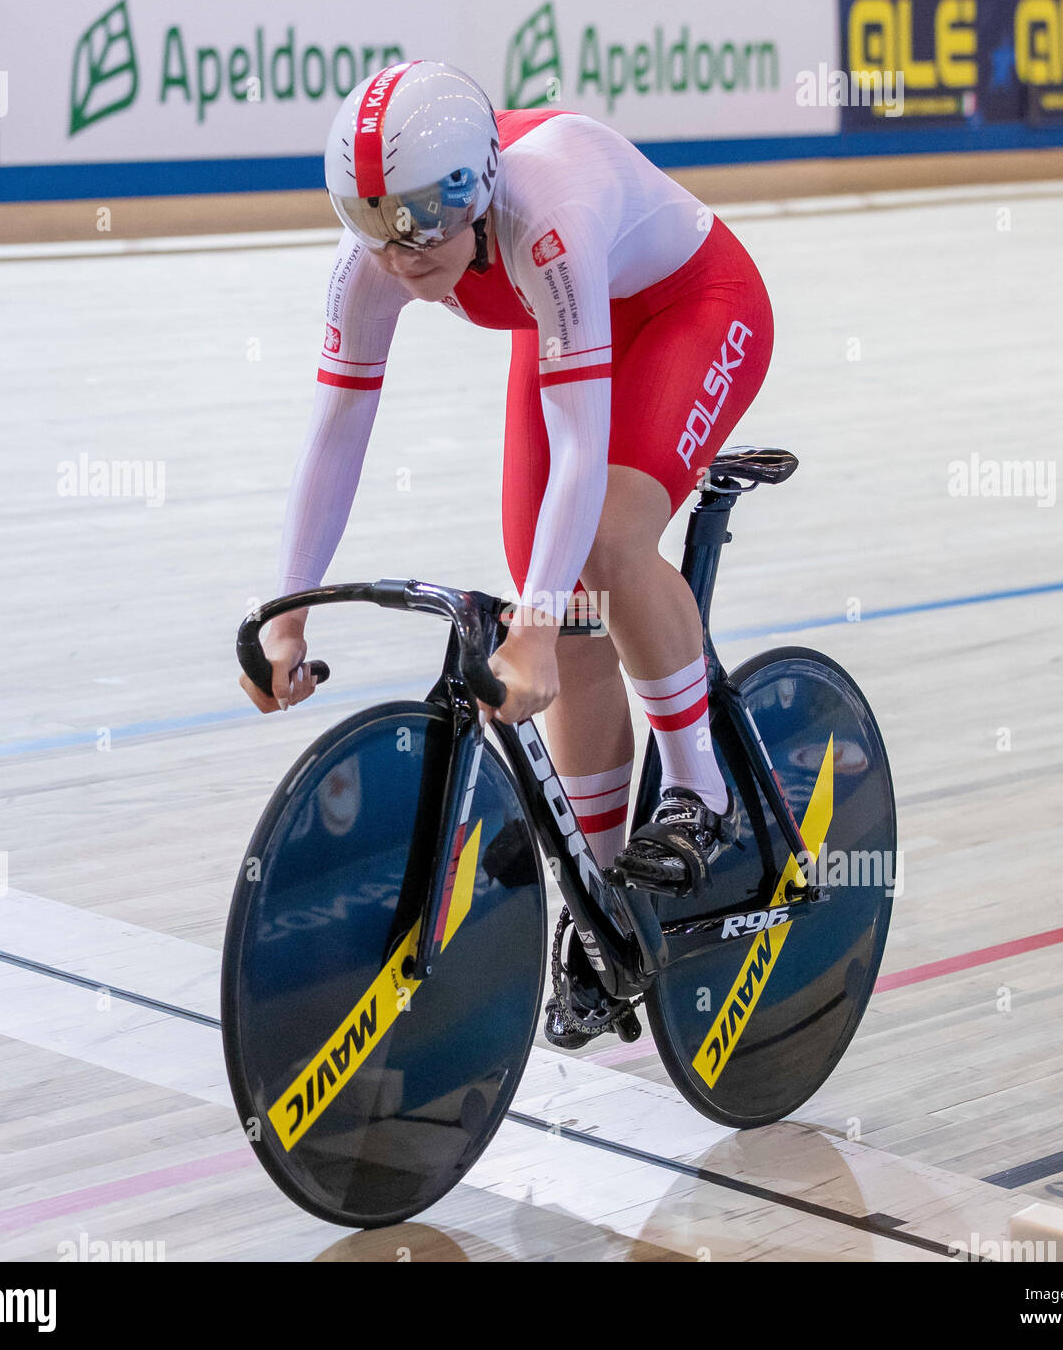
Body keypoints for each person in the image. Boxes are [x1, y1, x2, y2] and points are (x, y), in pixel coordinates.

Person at [241, 58, 773, 953]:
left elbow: (578, 447)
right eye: (375, 230)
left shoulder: (545, 215)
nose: (403, 259)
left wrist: (528, 625)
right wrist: (287, 612)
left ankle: (699, 791)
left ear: (478, 189)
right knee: (563, 618)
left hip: (693, 307)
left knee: (601, 547)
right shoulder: (374, 259)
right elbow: (335, 434)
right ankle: (604, 912)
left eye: (422, 228)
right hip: (564, 317)